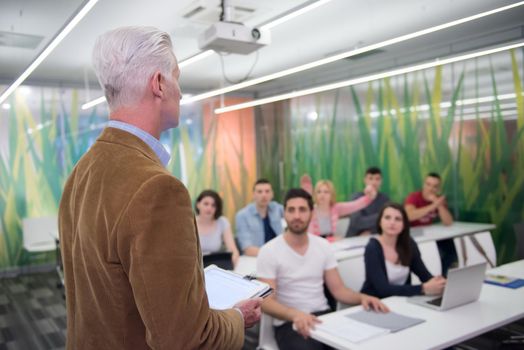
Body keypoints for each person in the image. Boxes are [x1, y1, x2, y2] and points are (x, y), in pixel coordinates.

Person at [58, 26, 261, 350]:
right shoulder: (158, 189)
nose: (180, 92)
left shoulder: (82, 171)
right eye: (176, 78)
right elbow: (187, 340)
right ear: (159, 84)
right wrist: (237, 317)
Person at [257, 188, 388, 350]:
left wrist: (364, 298)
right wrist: (295, 314)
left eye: (302, 209)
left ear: (312, 213)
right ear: (284, 213)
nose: (297, 215)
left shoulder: (323, 246)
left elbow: (339, 290)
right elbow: (266, 302)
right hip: (288, 323)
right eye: (291, 210)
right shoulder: (269, 251)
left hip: (324, 317)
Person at [361, 203, 446, 298]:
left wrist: (439, 283)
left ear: (404, 225)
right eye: (387, 217)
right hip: (376, 302)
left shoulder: (409, 244)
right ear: (380, 222)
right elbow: (382, 289)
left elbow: (424, 275)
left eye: (398, 219)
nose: (392, 222)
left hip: (401, 301)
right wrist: (423, 288)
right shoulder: (372, 248)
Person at [405, 172, 457, 276]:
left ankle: (444, 276)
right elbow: (409, 215)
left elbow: (448, 222)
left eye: (435, 186)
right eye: (428, 184)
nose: (430, 188)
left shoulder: (437, 200)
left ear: (438, 189)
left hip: (429, 235)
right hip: (413, 236)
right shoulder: (414, 197)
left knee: (451, 248)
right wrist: (433, 206)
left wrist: (438, 204)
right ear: (424, 184)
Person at [301, 175, 376, 241]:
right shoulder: (310, 210)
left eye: (326, 192)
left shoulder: (336, 208)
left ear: (331, 195)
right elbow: (311, 238)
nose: (322, 195)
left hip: (331, 246)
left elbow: (355, 205)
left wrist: (369, 197)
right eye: (319, 192)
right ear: (315, 194)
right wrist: (331, 239)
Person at [235, 179, 284, 256]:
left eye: (267, 191)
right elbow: (248, 249)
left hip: (280, 256)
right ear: (253, 195)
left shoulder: (277, 208)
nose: (264, 195)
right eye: (259, 192)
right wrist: (274, 255)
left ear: (272, 194)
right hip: (255, 259)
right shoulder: (242, 215)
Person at [195, 189, 240, 267]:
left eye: (213, 205)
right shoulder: (190, 223)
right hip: (195, 267)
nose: (209, 208)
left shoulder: (222, 222)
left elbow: (233, 250)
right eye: (206, 204)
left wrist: (234, 258)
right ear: (198, 205)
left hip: (215, 266)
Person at [346, 167, 390, 237]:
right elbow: (357, 222)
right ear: (365, 180)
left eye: (377, 179)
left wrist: (371, 231)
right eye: (370, 178)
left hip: (377, 236)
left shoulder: (385, 199)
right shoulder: (356, 197)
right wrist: (381, 216)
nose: (374, 182)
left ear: (381, 181)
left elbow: (389, 222)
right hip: (354, 238)